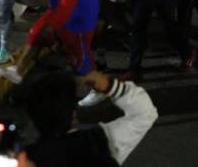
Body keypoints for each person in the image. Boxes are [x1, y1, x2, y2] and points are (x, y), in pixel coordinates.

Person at [24, 71, 158, 166]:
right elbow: (144, 114)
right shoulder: (98, 143)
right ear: (74, 114)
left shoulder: (26, 158)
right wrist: (111, 86)